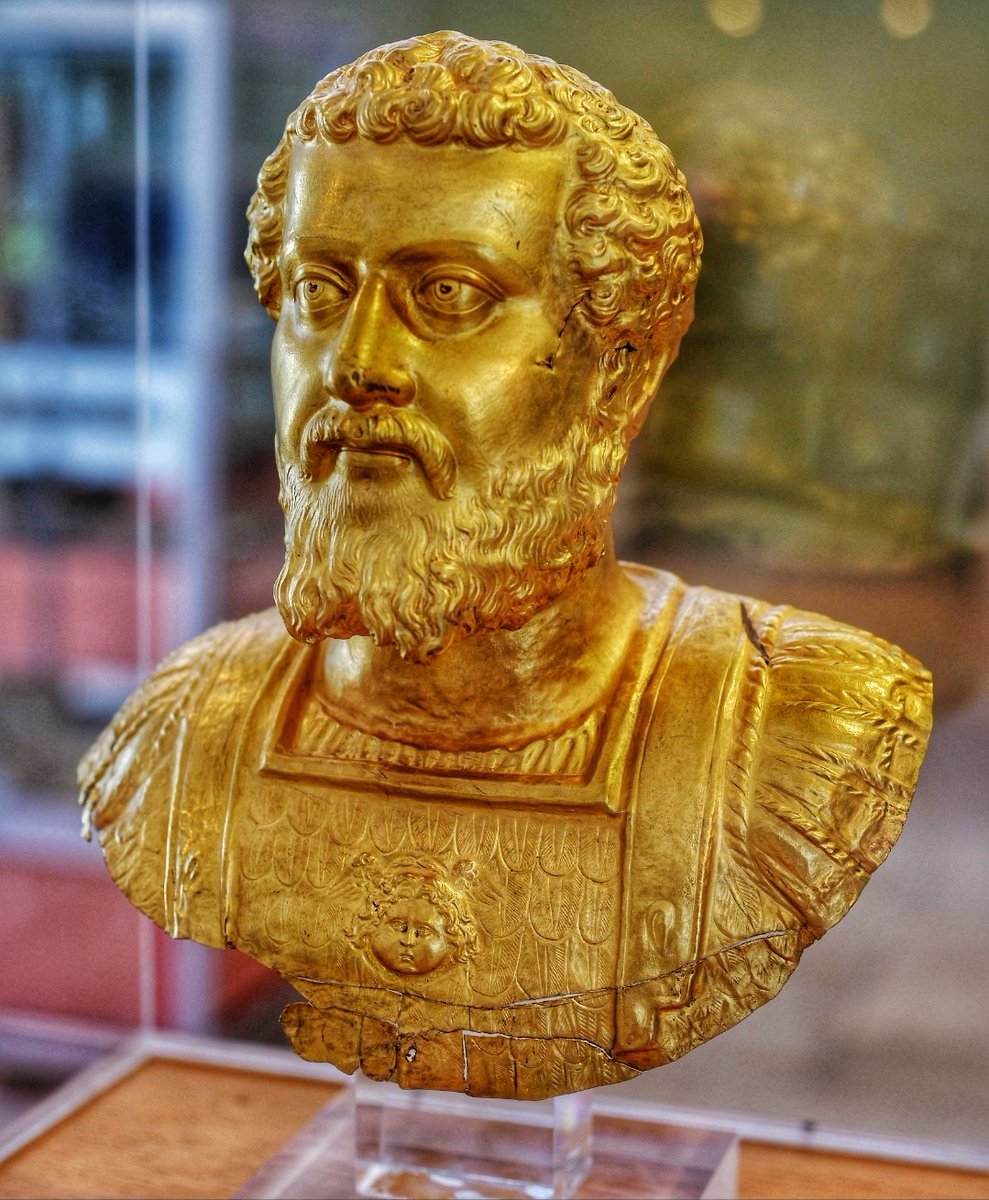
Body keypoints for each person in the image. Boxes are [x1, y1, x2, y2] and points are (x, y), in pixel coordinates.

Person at [80, 32, 931, 1100]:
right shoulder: (180, 734)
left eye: (447, 296)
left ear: (618, 370)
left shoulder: (798, 725)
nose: (356, 365)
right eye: (318, 291)